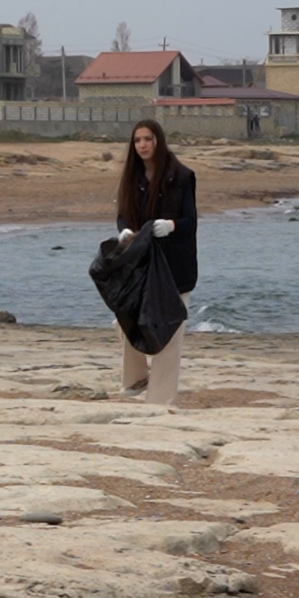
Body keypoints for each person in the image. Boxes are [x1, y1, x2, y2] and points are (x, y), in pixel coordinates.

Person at [112, 119, 198, 405]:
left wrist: (170, 225)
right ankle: (136, 379)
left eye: (148, 139)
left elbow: (190, 222)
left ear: (158, 141)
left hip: (176, 268)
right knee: (126, 321)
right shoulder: (131, 179)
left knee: (170, 336)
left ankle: (161, 401)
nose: (143, 145)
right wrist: (123, 230)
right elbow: (123, 214)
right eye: (137, 140)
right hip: (142, 266)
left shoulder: (182, 176)